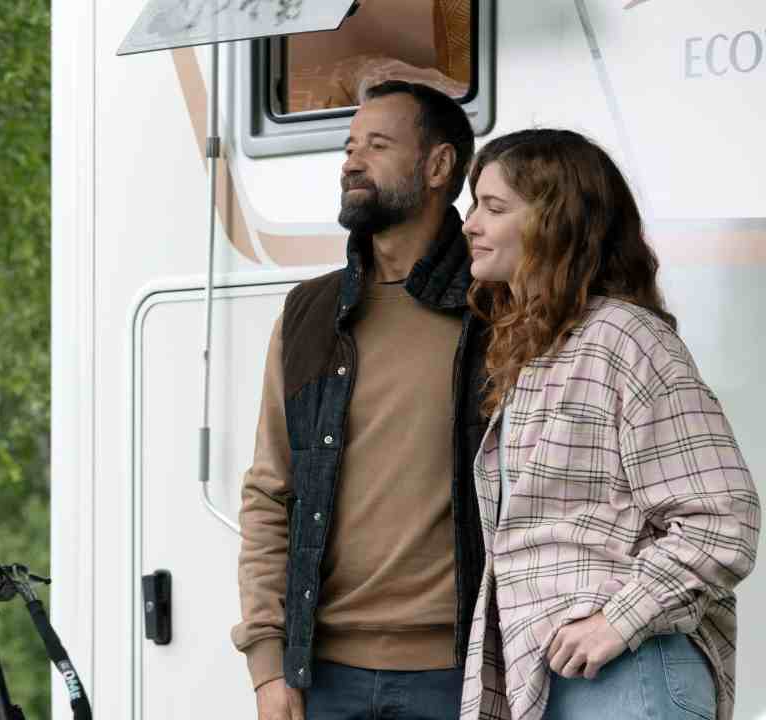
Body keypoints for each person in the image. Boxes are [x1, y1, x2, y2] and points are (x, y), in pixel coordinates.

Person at [457, 128, 760, 720]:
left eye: (494, 207)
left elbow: (724, 519)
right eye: (475, 206)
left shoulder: (623, 337)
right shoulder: (540, 349)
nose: (470, 224)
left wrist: (617, 621)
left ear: (556, 224)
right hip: (563, 674)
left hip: (625, 673)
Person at [232, 80, 488, 720]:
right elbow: (270, 493)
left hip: (461, 674)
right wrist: (268, 665)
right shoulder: (309, 314)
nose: (351, 161)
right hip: (324, 678)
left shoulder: (497, 307)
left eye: (377, 145)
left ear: (438, 166)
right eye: (349, 146)